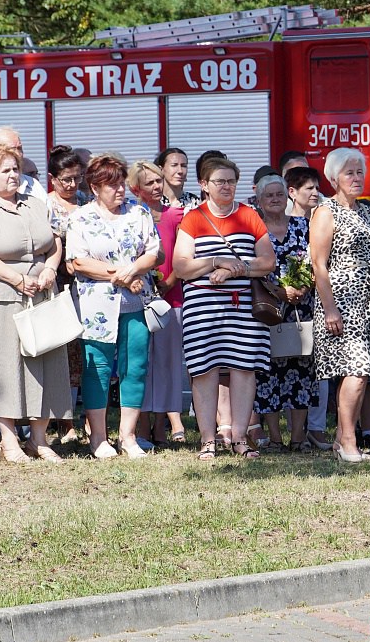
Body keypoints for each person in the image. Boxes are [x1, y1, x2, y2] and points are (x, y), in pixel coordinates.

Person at [0, 144, 71, 463]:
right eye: (5, 170)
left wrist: (50, 267)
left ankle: (39, 439)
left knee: (45, 364)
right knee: (4, 367)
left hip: (40, 293)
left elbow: (55, 242)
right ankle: (9, 441)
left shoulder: (35, 204)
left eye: (15, 169)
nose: (13, 175)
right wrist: (16, 278)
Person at [174, 156, 275, 460]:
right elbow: (181, 266)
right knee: (204, 370)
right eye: (220, 181)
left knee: (244, 369)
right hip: (202, 307)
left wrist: (237, 269)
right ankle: (208, 440)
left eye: (231, 181)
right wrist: (216, 262)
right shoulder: (193, 218)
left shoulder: (249, 215)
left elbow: (267, 262)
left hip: (243, 306)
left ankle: (241, 438)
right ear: (204, 185)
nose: (227, 186)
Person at [66, 155, 161, 459]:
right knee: (98, 370)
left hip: (135, 304)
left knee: (135, 367)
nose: (120, 190)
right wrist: (121, 275)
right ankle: (98, 438)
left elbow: (153, 253)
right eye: (112, 185)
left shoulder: (139, 212)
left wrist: (131, 272)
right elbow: (78, 261)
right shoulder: (80, 217)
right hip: (95, 308)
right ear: (94, 187)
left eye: (121, 183)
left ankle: (128, 436)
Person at [312, 148, 370, 462]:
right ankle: (348, 441)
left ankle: (340, 440)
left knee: (362, 371)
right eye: (350, 173)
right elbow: (318, 264)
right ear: (334, 177)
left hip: (369, 303)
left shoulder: (364, 211)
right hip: (341, 302)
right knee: (356, 369)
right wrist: (330, 308)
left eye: (360, 172)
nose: (356, 178)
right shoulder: (325, 211)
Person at [254, 174, 317, 452]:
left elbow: (318, 260)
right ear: (260, 201)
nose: (276, 199)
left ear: (288, 196)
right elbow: (253, 268)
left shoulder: (304, 226)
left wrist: (302, 285)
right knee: (268, 374)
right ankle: (276, 438)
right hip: (270, 309)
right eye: (269, 195)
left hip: (302, 309)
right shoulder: (256, 230)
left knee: (302, 371)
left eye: (280, 194)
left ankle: (298, 438)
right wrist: (280, 291)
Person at [129, 160, 188, 447]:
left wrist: (170, 281)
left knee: (166, 363)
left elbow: (182, 254)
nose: (156, 186)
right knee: (140, 362)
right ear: (135, 187)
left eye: (158, 181)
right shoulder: (128, 216)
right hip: (135, 296)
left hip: (170, 297)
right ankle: (140, 426)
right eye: (149, 182)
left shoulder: (176, 215)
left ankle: (162, 425)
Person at [284, 163, 330, 448]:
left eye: (317, 187)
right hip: (287, 301)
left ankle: (316, 426)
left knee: (318, 365)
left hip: (316, 298)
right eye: (308, 188)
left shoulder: (321, 220)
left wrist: (309, 284)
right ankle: (293, 430)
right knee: (289, 363)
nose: (315, 193)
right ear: (293, 192)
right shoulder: (284, 221)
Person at [46, 144, 87, 444]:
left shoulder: (87, 202)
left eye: (77, 178)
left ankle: (85, 416)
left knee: (84, 353)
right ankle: (63, 420)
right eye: (66, 180)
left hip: (87, 284)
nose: (73, 185)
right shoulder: (46, 205)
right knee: (62, 352)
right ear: (53, 179)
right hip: (59, 285)